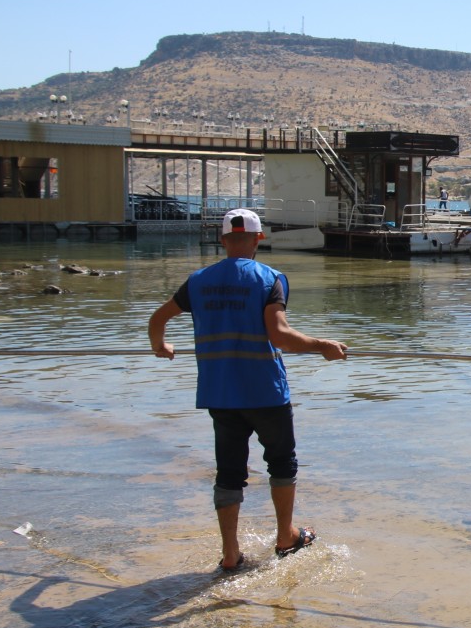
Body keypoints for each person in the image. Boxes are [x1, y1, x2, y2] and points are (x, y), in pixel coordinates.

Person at [148, 208, 347, 572]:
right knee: (282, 463)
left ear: (223, 240)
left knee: (228, 472)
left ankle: (230, 553)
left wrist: (160, 347)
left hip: (219, 393)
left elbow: (157, 319)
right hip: (264, 391)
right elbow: (280, 336)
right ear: (259, 239)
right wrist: (323, 345)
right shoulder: (269, 278)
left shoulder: (197, 281)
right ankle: (286, 536)